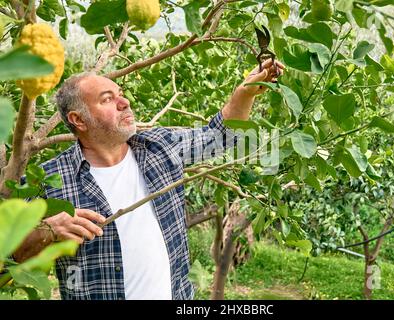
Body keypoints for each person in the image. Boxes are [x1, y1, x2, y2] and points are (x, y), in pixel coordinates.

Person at [13, 59, 285, 300]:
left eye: (120, 94)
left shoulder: (160, 146)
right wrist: (46, 231)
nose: (124, 102)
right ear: (78, 120)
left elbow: (220, 135)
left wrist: (245, 92)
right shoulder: (49, 180)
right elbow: (8, 254)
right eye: (107, 99)